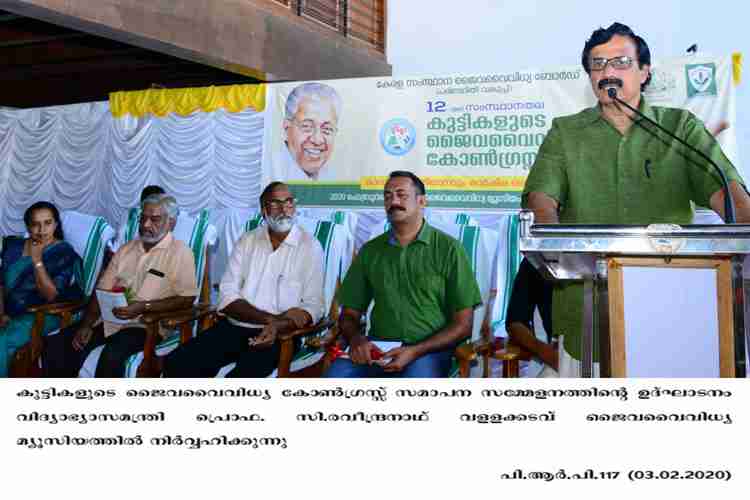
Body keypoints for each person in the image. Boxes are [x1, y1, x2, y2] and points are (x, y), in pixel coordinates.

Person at [522, 22, 750, 376]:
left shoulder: (680, 128)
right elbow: (541, 199)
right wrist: (554, 241)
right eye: (597, 65)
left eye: (620, 62)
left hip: (672, 312)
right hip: (588, 314)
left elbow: (727, 194)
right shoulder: (565, 133)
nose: (607, 72)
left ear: (645, 72)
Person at [325, 171, 482, 378]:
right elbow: (349, 314)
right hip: (378, 350)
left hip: (428, 351)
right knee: (335, 379)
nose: (394, 201)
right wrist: (356, 340)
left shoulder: (449, 249)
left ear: (422, 201)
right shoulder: (371, 251)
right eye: (388, 196)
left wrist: (415, 350)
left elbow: (463, 325)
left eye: (402, 195)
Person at [163, 182, 325, 377]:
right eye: (275, 204)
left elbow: (313, 305)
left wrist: (278, 326)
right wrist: (270, 321)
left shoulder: (310, 246)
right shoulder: (247, 241)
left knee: (242, 378)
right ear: (264, 210)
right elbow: (227, 296)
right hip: (237, 326)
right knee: (177, 363)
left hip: (283, 335)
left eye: (289, 203)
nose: (284, 210)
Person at [43, 194, 197, 377]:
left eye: (154, 219)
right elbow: (101, 290)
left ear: (171, 223)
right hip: (109, 320)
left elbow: (187, 299)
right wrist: (86, 324)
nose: (146, 225)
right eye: (143, 218)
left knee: (112, 356)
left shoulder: (181, 253)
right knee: (58, 343)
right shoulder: (126, 249)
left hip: (146, 325)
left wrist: (145, 306)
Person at [0, 201, 83, 376]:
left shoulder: (62, 252)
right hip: (7, 311)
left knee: (3, 339)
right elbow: (1, 284)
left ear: (56, 224)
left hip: (42, 314)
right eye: (35, 224)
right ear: (28, 227)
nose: (42, 229)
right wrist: (2, 314)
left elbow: (51, 295)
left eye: (47, 223)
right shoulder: (13, 247)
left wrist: (37, 261)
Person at [278, 82, 342, 182]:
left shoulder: (334, 178)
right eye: (307, 126)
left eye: (327, 129)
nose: (317, 140)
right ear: (287, 128)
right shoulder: (274, 172)